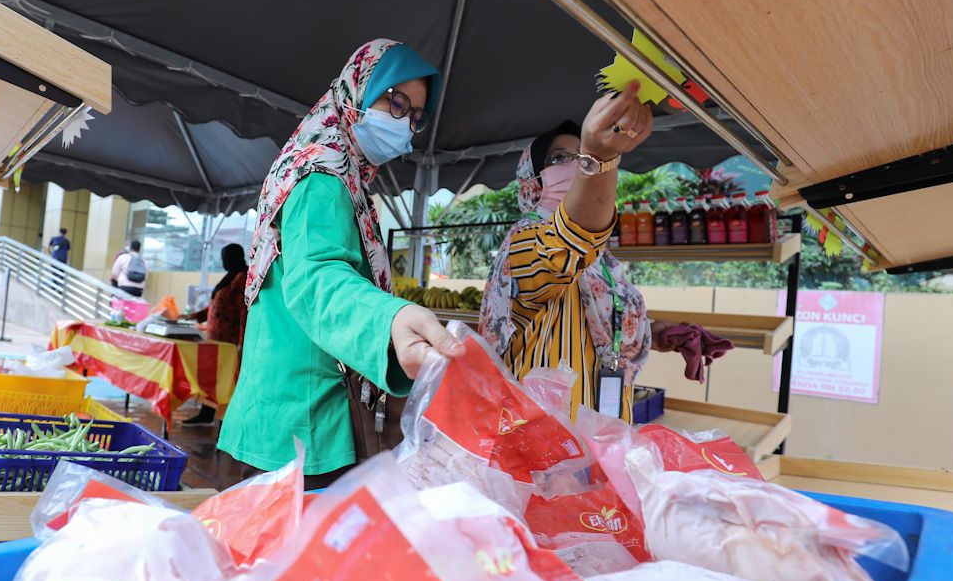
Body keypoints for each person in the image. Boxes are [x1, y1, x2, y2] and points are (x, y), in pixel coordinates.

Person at [218, 39, 465, 488]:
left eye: (415, 116)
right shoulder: (322, 176)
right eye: (396, 101)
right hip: (304, 423)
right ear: (358, 88)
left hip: (287, 409)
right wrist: (390, 319)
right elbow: (317, 275)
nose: (404, 123)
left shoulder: (331, 170)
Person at [480, 88, 732, 422]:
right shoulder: (524, 243)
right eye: (559, 158)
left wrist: (658, 334)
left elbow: (597, 324)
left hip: (600, 437)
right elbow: (572, 238)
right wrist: (598, 156)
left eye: (580, 154)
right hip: (542, 441)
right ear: (532, 180)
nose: (575, 163)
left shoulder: (601, 263)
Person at [181, 243, 250, 426]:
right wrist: (194, 316)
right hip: (217, 340)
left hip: (229, 342)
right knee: (212, 378)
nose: (223, 261)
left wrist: (241, 344)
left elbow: (244, 313)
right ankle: (206, 413)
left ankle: (224, 419)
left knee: (223, 380)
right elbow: (217, 306)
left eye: (225, 257)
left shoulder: (242, 278)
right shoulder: (231, 276)